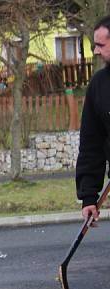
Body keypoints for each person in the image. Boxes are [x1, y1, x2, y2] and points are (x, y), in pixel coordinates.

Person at [76, 16, 110, 223]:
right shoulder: (99, 85)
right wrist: (89, 196)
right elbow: (91, 144)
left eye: (100, 45)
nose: (96, 51)